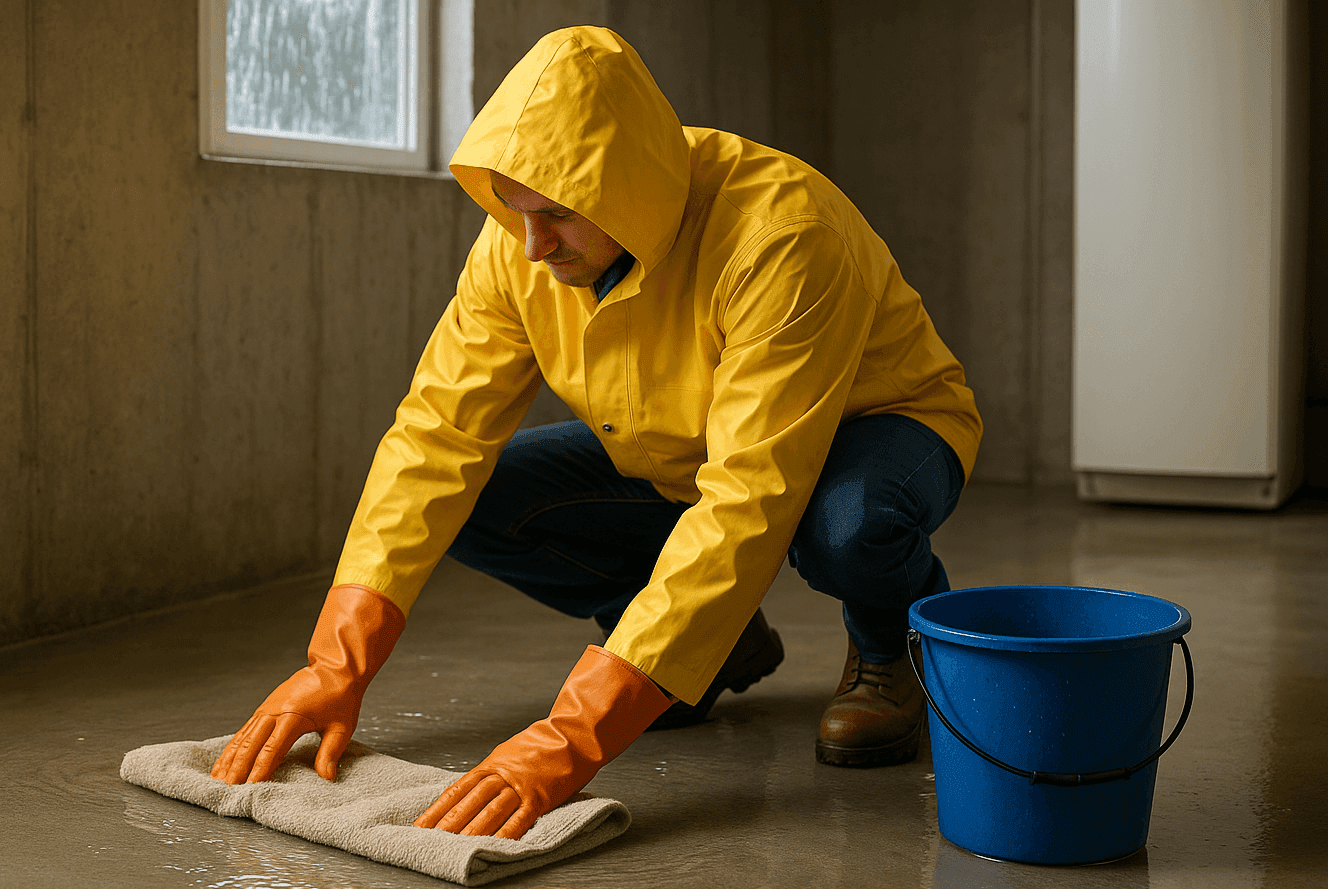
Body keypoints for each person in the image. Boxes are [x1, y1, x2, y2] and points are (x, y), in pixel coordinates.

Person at [210, 26, 982, 841]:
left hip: (878, 428)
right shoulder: (521, 247)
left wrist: (572, 735)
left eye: (558, 215)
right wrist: (338, 663)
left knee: (846, 527)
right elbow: (436, 436)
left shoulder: (782, 236)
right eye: (514, 209)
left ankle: (889, 646)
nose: (534, 245)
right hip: (682, 450)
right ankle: (704, 654)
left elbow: (752, 497)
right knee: (475, 497)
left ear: (633, 188)